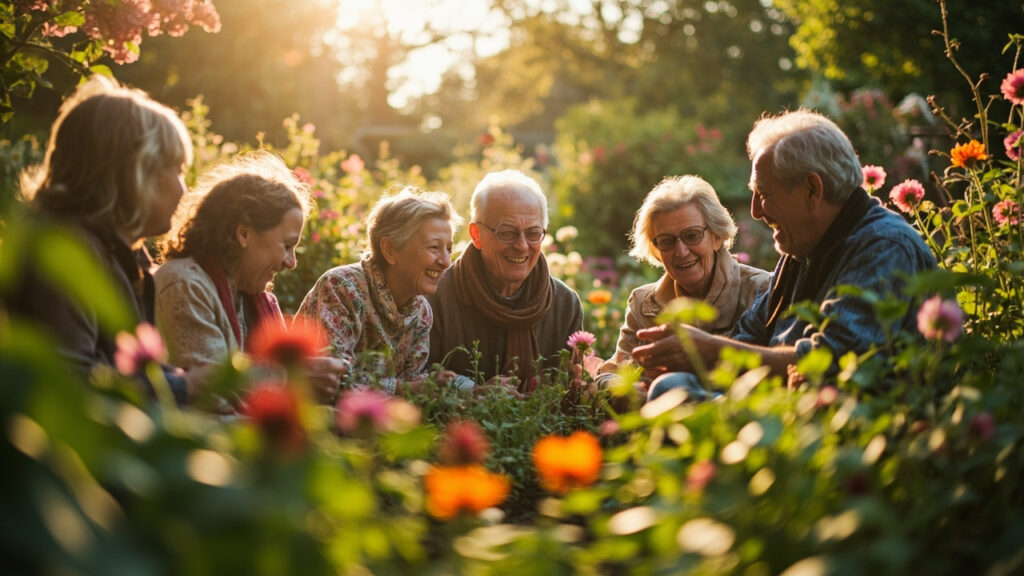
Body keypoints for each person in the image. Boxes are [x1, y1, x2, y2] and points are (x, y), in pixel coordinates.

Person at [632, 109, 937, 400]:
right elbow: (749, 335)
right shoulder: (802, 250)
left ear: (812, 190)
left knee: (673, 396)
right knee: (670, 386)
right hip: (786, 405)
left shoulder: (883, 245)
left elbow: (836, 363)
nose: (755, 211)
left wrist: (711, 351)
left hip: (852, 420)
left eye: (764, 194)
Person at [5, 77, 203, 404]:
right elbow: (67, 385)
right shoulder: (62, 253)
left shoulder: (122, 257)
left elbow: (124, 373)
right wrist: (185, 387)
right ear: (137, 172)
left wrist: (186, 380)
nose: (185, 188)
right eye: (178, 169)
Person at [155, 151, 348, 403]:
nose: (291, 263)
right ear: (244, 234)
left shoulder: (261, 302)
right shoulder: (185, 284)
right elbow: (212, 402)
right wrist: (292, 378)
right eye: (287, 246)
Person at [596, 175, 771, 393]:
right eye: (666, 241)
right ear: (656, 250)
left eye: (692, 235)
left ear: (717, 236)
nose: (681, 251)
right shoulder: (643, 304)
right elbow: (611, 373)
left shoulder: (762, 290)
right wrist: (634, 394)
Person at [427, 169, 584, 391]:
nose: (521, 246)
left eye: (533, 233)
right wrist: (471, 393)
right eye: (507, 232)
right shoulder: (435, 297)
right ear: (476, 235)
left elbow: (570, 390)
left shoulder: (565, 304)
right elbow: (420, 381)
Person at [296, 187, 463, 395]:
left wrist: (459, 390)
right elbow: (332, 381)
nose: (446, 262)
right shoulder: (341, 287)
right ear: (389, 250)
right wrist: (402, 389)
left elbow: (416, 387)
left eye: (449, 249)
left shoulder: (421, 311)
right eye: (434, 247)